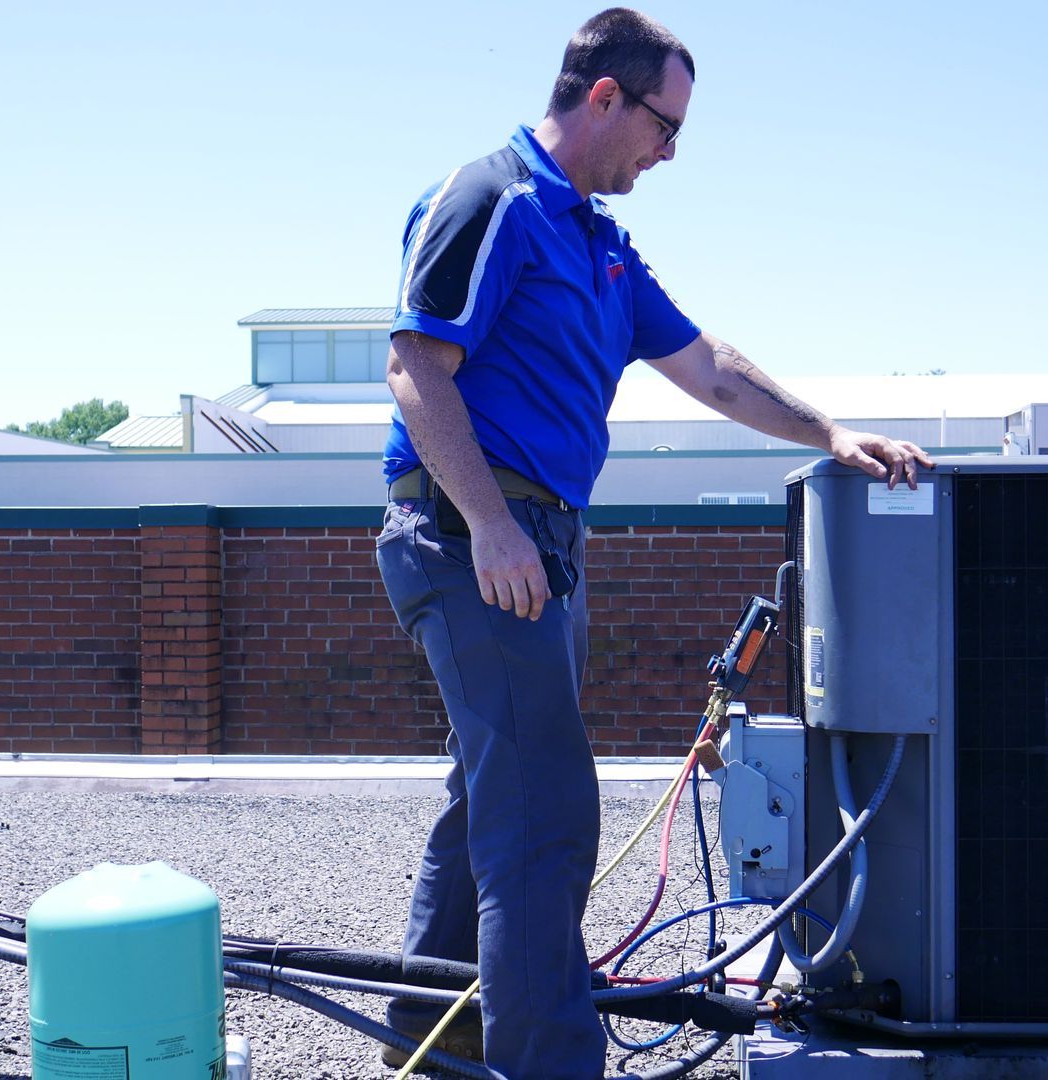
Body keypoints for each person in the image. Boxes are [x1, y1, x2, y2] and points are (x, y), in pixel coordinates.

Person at [374, 9, 932, 1078]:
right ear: (603, 98)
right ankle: (546, 1062)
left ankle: (429, 1040)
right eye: (665, 126)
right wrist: (491, 525)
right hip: (469, 534)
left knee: (490, 796)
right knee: (544, 814)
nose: (670, 151)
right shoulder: (491, 198)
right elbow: (414, 365)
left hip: (536, 541)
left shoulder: (599, 243)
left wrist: (829, 432)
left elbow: (707, 365)